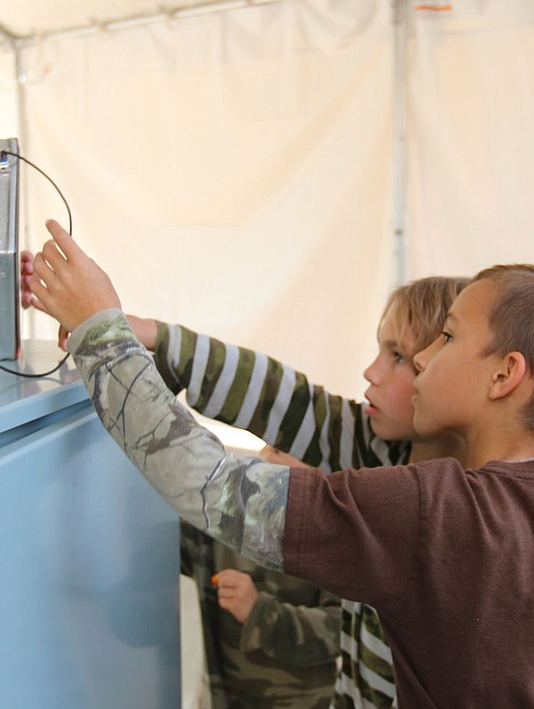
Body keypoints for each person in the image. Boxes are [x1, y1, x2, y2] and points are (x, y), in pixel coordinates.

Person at [29, 219, 534, 708]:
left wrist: (101, 333)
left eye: (449, 337)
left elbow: (209, 484)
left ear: (505, 375)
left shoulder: (429, 507)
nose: (428, 358)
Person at [126, 275, 470, 708]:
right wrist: (158, 337)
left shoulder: (442, 511)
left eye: (398, 356)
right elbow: (283, 397)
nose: (371, 371)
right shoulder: (383, 449)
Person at [180, 509, 341, 709]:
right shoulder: (213, 514)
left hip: (301, 701)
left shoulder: (328, 522)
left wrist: (260, 612)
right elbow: (158, 551)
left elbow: (340, 629)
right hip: (222, 697)